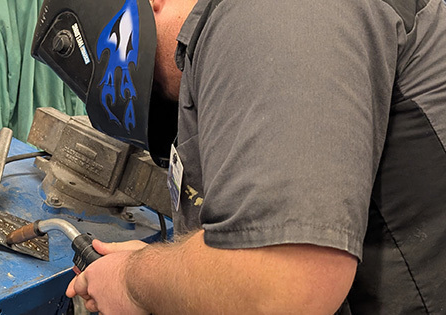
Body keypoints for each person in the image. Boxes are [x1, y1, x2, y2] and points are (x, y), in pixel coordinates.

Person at [34, 0, 446, 313]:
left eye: (159, 89)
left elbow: (285, 280)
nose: (171, 101)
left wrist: (132, 281)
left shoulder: (272, 16)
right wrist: (166, 269)